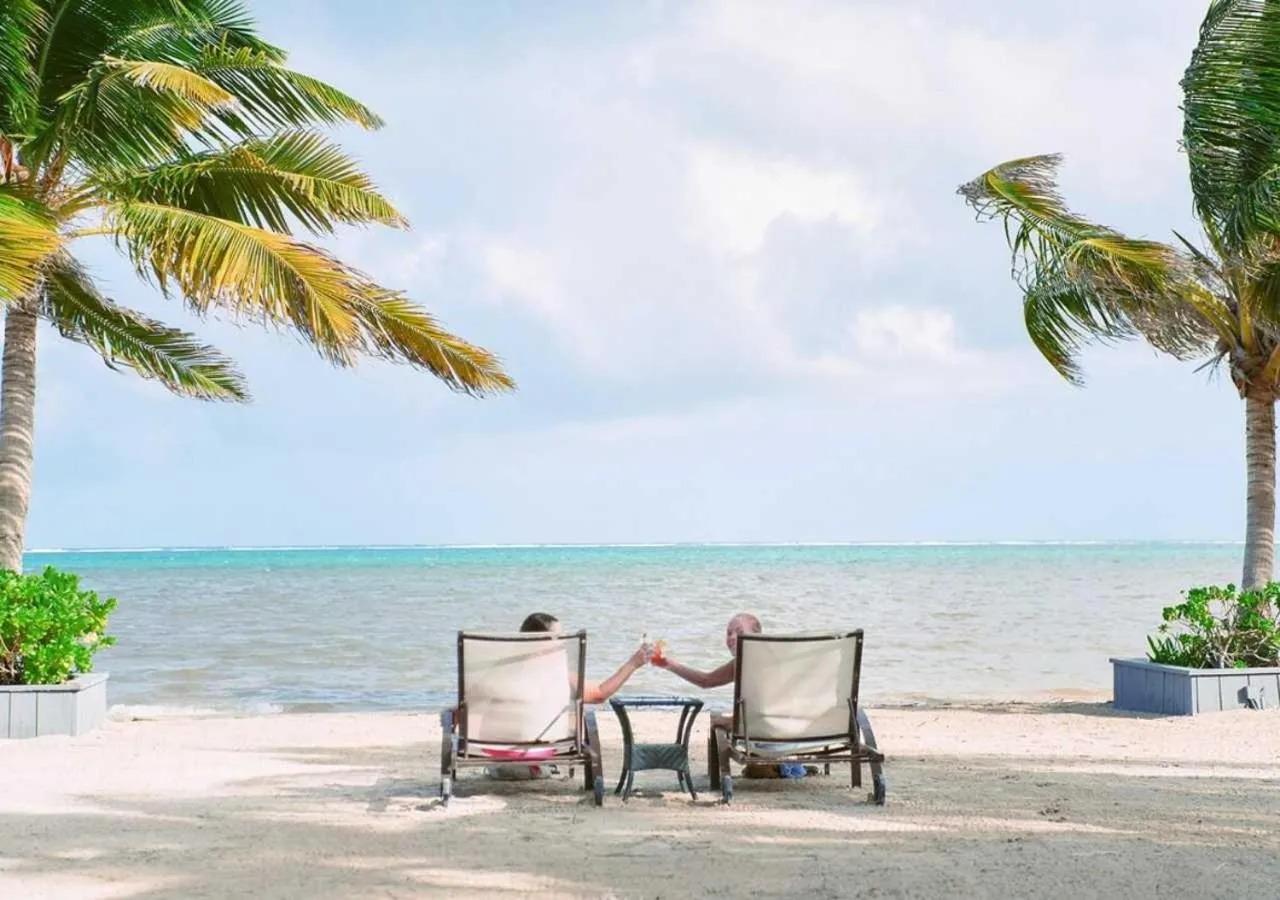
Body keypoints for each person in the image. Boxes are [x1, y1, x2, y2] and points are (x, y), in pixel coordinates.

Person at [652, 612, 810, 779]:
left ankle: (766, 768)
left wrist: (729, 722)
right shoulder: (776, 659)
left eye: (739, 632)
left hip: (768, 736)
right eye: (729, 633)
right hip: (796, 734)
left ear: (757, 636)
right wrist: (668, 663)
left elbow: (706, 681)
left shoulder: (744, 663)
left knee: (717, 722)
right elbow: (770, 708)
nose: (732, 637)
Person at [518, 612, 647, 704]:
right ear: (541, 641)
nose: (563, 641)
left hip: (508, 741)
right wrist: (633, 664)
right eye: (558, 637)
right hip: (552, 741)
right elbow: (599, 694)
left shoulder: (506, 671)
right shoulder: (557, 675)